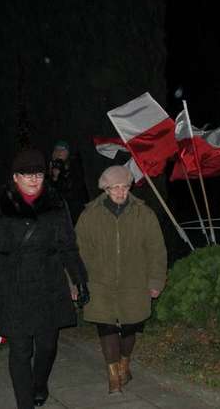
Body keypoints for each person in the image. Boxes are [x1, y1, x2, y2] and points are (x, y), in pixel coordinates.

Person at [0, 148, 89, 408]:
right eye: (27, 174)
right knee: (21, 350)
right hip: (15, 284)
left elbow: (69, 245)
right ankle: (24, 402)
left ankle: (39, 382)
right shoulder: (0, 203)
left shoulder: (56, 202)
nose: (34, 179)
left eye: (38, 174)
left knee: (47, 346)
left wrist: (79, 279)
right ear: (15, 177)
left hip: (49, 283)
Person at [74, 165, 167, 394]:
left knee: (129, 327)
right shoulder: (90, 215)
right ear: (105, 189)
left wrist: (155, 281)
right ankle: (113, 377)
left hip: (134, 281)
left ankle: (124, 363)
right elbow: (77, 251)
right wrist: (75, 282)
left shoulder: (143, 214)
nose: (120, 192)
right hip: (99, 282)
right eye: (115, 188)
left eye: (124, 187)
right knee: (105, 327)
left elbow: (157, 250)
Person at [47, 140, 88, 224]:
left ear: (68, 153)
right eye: (56, 150)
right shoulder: (50, 169)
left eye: (62, 150)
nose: (58, 152)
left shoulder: (75, 167)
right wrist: (54, 178)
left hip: (75, 215)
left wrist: (60, 176)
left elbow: (73, 191)